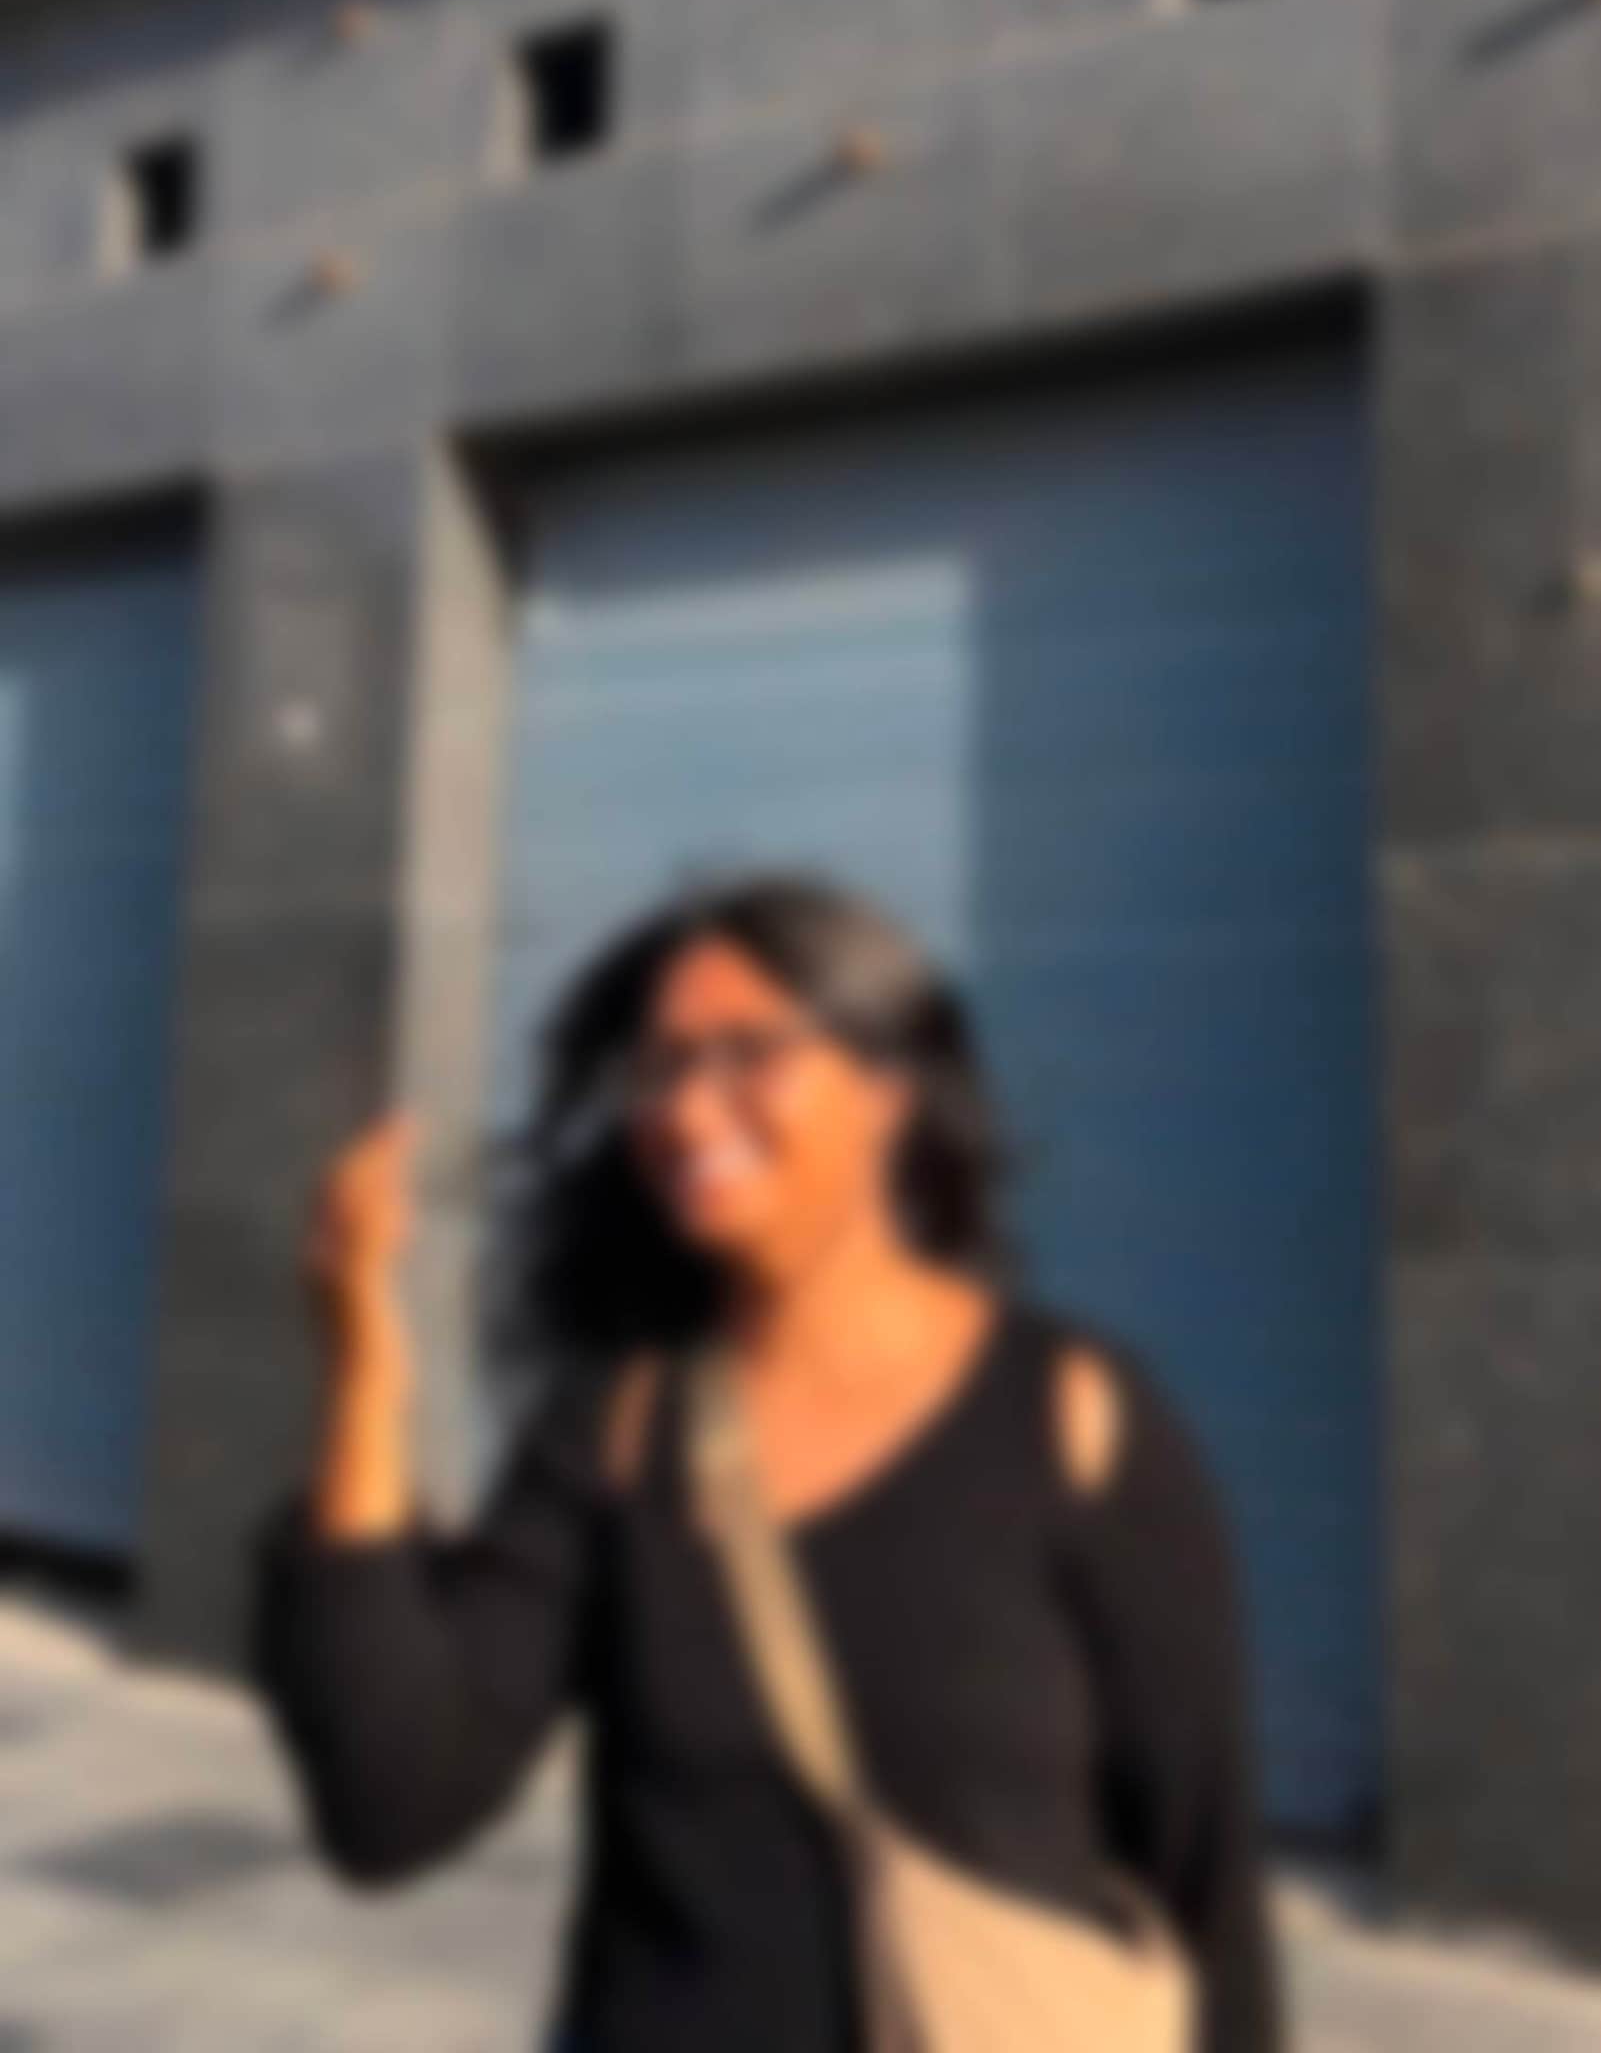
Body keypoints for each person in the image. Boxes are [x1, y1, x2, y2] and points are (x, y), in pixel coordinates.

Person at [256, 872, 1283, 2052]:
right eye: (659, 1068)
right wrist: (363, 1371)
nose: (689, 1111)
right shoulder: (619, 1429)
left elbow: (1202, 1873)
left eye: (749, 1052)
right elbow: (391, 1801)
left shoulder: (1072, 1420)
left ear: (887, 1087)